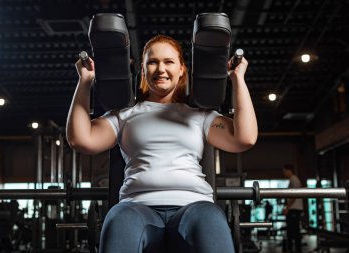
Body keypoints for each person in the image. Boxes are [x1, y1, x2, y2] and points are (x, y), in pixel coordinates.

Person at [66, 34, 258, 253]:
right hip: (137, 206)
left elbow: (245, 138)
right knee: (119, 220)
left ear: (181, 69)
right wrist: (85, 82)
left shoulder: (200, 116)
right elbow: (81, 140)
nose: (160, 69)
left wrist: (238, 79)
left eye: (169, 62)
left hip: (193, 206)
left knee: (210, 219)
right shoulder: (123, 116)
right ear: (143, 70)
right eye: (152, 62)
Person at [282, 164, 303, 253]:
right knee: (292, 230)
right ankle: (292, 248)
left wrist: (287, 208)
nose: (283, 173)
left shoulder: (294, 180)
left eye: (284, 171)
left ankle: (296, 249)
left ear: (289, 170)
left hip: (294, 208)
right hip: (294, 208)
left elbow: (294, 195)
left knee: (294, 230)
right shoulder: (293, 180)